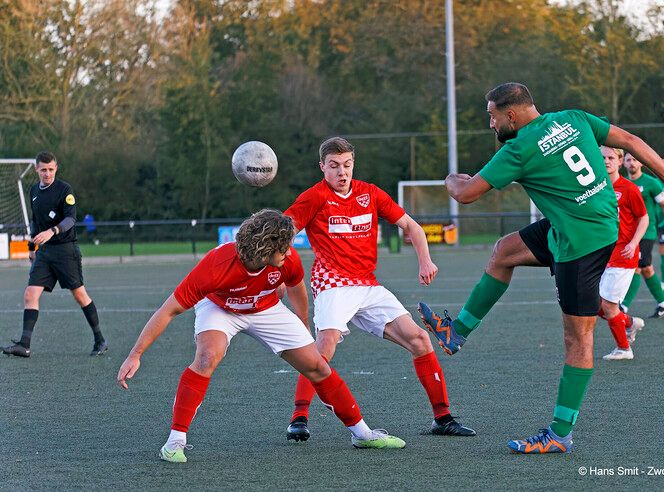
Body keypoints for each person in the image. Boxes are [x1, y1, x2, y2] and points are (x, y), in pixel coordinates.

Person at [418, 82, 664, 454]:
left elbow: (465, 194)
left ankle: (560, 434)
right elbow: (629, 139)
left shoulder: (518, 148)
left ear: (511, 114)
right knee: (503, 252)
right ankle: (456, 332)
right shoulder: (573, 118)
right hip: (586, 223)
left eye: (492, 117)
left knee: (578, 338)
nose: (491, 125)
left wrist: (452, 178)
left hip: (581, 243)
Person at [116, 210, 406, 463]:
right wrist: (136, 354)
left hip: (266, 308)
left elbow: (296, 288)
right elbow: (168, 310)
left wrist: (302, 328)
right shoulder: (215, 266)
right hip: (220, 307)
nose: (290, 252)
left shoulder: (287, 260)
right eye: (284, 248)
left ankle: (362, 434)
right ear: (264, 250)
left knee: (317, 366)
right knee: (207, 357)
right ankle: (175, 441)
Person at [283, 137, 475, 442]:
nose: (341, 172)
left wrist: (425, 260)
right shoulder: (314, 197)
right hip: (333, 283)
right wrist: (279, 264)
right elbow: (285, 231)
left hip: (368, 285)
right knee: (325, 346)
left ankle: (443, 418)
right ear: (323, 167)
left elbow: (411, 226)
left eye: (346, 165)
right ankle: (299, 416)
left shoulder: (369, 193)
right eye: (334, 166)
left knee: (420, 339)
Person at [2, 151, 107, 358]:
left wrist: (52, 231)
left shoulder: (64, 190)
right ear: (36, 170)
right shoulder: (33, 190)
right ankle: (24, 345)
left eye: (51, 170)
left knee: (80, 295)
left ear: (56, 169)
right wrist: (32, 249)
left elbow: (70, 220)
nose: (47, 174)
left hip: (65, 251)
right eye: (43, 170)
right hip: (44, 253)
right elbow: (34, 222)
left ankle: (100, 340)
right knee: (30, 294)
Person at [597, 146, 648, 361]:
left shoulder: (629, 189)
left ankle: (624, 349)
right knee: (594, 304)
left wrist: (634, 243)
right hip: (601, 253)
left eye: (611, 157)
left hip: (623, 254)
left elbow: (643, 218)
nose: (606, 161)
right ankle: (629, 322)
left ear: (620, 162)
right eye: (602, 158)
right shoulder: (594, 187)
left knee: (609, 305)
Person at [621, 153, 664, 318]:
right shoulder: (621, 183)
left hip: (646, 232)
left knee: (637, 267)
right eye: (628, 160)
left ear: (641, 163)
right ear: (623, 163)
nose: (632, 163)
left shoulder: (651, 183)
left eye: (635, 159)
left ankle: (623, 307)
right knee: (646, 269)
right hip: (627, 234)